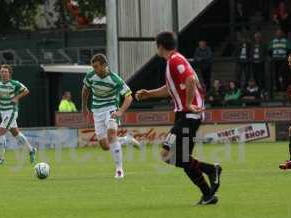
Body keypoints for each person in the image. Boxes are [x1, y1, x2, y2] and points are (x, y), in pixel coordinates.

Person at [136, 31, 222, 205]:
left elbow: (190, 79)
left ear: (160, 46)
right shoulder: (174, 61)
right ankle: (208, 193)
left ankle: (211, 170)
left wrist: (189, 104)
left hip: (188, 115)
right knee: (183, 159)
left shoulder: (175, 60)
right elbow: (170, 88)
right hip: (186, 115)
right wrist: (149, 94)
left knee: (166, 154)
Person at [82, 53, 140, 179]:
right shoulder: (91, 76)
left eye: (96, 67)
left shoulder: (115, 79)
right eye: (93, 67)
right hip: (97, 111)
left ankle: (119, 170)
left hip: (112, 109)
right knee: (104, 145)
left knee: (111, 135)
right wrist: (84, 107)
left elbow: (129, 97)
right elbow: (85, 89)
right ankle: (126, 140)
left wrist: (120, 112)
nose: (94, 70)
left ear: (104, 65)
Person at [0, 64, 36, 166]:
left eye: (5, 72)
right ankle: (31, 150)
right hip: (3, 111)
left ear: (9, 73)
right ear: (0, 73)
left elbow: (26, 90)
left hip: (11, 111)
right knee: (16, 133)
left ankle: (1, 158)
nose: (3, 73)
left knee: (1, 132)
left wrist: (16, 97)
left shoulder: (14, 84)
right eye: (2, 71)